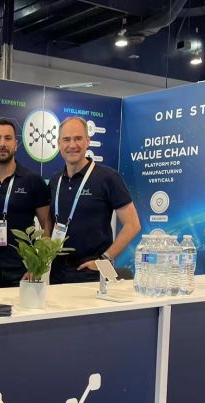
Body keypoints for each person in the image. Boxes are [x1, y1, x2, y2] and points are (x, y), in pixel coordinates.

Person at [48, 116, 141, 284]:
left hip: (91, 273)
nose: (72, 145)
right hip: (57, 271)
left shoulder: (108, 177)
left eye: (78, 138)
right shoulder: (55, 180)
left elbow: (132, 225)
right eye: (66, 139)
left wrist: (104, 259)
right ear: (59, 144)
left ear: (88, 141)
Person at [0, 119, 52, 288]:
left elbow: (47, 224)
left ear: (16, 144)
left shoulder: (33, 181)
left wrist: (37, 265)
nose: (2, 144)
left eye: (8, 138)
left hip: (23, 270)